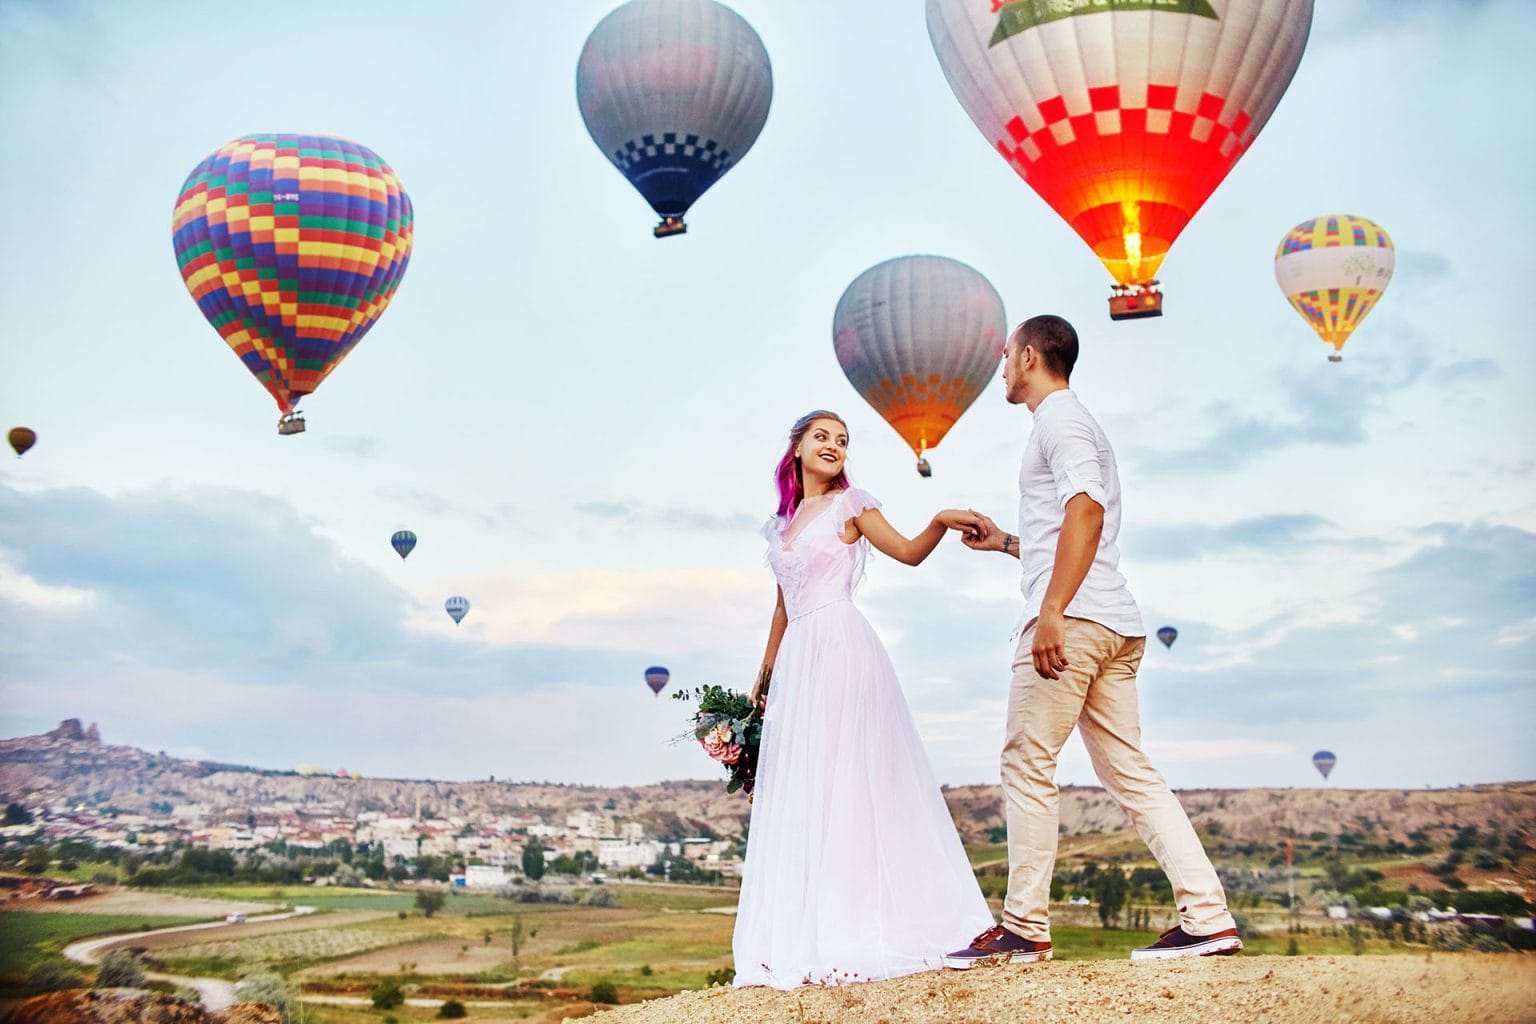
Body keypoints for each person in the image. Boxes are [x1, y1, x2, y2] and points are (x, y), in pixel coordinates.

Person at [943, 315, 1242, 967]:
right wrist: (1008, 545)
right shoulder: (1074, 425)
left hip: (1072, 621)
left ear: (1027, 357)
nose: (998, 364)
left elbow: (1087, 511)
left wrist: (1051, 609)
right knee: (1131, 772)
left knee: (1027, 760)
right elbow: (1074, 529)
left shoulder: (1060, 421)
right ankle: (1209, 918)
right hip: (1113, 620)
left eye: (1005, 355)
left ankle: (1024, 927)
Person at [733, 409, 994, 989]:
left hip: (843, 647)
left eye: (843, 440)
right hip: (799, 656)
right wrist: (765, 673)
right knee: (804, 783)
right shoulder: (780, 525)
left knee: (848, 777)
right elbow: (782, 605)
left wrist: (940, 520)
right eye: (821, 436)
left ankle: (857, 928)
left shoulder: (853, 506)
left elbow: (906, 552)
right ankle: (805, 928)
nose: (833, 445)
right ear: (796, 446)